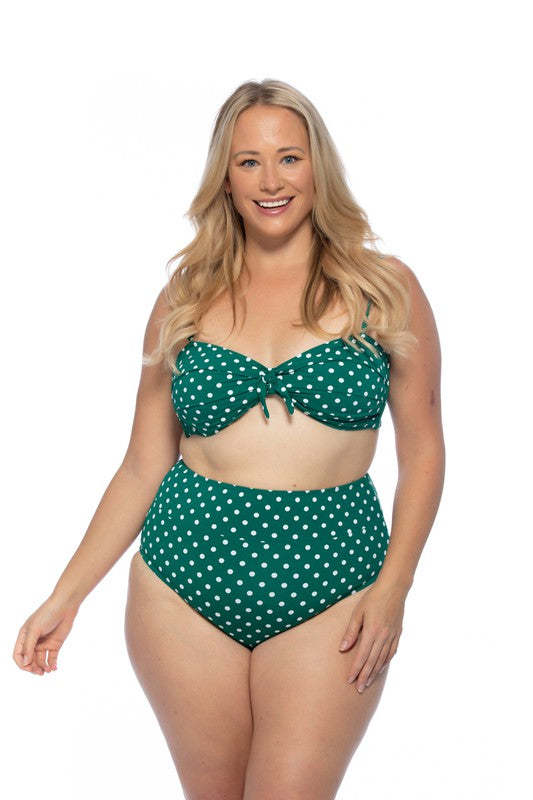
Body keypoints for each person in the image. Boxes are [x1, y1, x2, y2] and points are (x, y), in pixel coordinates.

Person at [13, 79, 445, 799]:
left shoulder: (383, 288)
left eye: (289, 158)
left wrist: (394, 587)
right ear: (225, 177)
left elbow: (423, 451)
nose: (270, 181)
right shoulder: (185, 295)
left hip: (334, 581)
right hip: (183, 581)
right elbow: (143, 464)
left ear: (318, 167)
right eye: (248, 162)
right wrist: (66, 595)